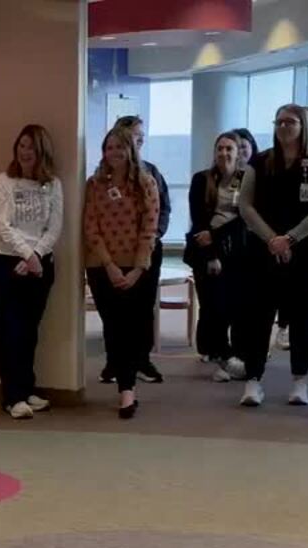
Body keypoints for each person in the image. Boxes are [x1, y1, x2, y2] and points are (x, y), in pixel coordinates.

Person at [238, 105, 308, 407]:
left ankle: (300, 381)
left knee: (303, 316)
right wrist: (273, 239)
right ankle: (253, 381)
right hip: (264, 246)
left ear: (304, 125)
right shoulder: (260, 160)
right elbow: (245, 205)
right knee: (259, 316)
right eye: (279, 121)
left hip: (306, 248)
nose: (283, 127)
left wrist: (290, 239)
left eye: (290, 122)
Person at [84, 126, 159, 419]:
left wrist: (138, 268)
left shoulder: (146, 183)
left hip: (135, 268)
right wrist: (109, 265)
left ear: (131, 150)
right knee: (112, 326)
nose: (113, 152)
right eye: (108, 147)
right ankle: (120, 377)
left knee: (130, 328)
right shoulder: (94, 185)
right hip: (101, 267)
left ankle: (127, 391)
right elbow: (91, 228)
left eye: (119, 147)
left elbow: (149, 228)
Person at [0, 124, 63, 419]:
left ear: (41, 151)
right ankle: (12, 396)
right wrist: (26, 254)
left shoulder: (53, 184)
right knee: (10, 332)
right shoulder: (2, 182)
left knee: (29, 333)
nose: (25, 152)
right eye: (21, 146)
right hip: (6, 262)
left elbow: (55, 226)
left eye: (31, 147)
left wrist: (36, 257)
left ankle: (27, 388)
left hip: (40, 263)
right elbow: (1, 225)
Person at [110, 115, 170, 385]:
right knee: (118, 311)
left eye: (141, 137)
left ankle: (141, 360)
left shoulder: (151, 172)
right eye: (134, 136)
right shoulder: (104, 176)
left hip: (147, 251)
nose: (139, 141)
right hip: (116, 253)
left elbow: (163, 209)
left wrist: (153, 237)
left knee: (144, 308)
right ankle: (116, 363)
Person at [185, 131, 247, 383]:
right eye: (220, 148)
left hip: (237, 250)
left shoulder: (247, 179)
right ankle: (221, 357)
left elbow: (245, 217)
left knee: (235, 307)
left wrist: (217, 234)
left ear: (238, 152)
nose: (224, 153)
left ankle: (236, 355)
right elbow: (199, 218)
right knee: (213, 307)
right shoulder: (202, 179)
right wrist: (211, 254)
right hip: (205, 252)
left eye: (229, 149)